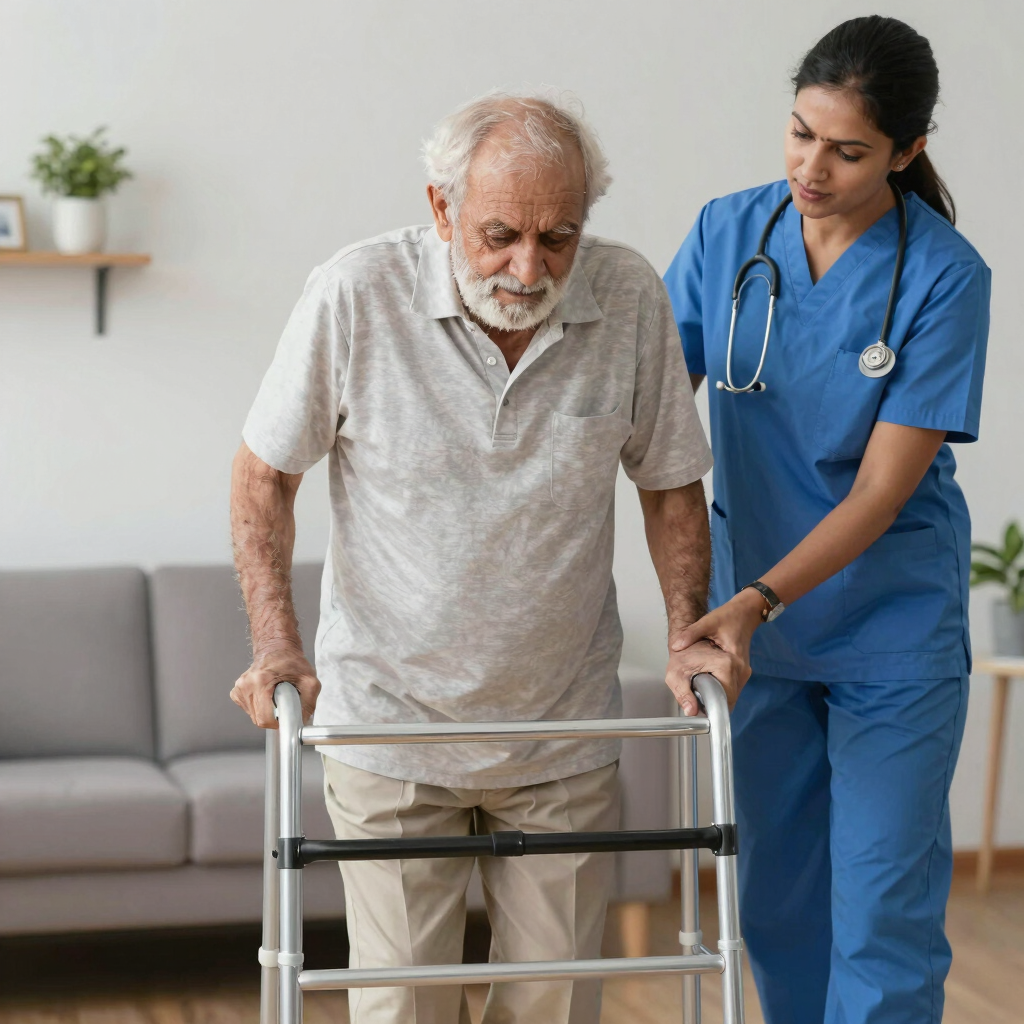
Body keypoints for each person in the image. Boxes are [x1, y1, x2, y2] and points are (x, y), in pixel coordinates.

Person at [230, 92, 734, 1024]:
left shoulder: (626, 296)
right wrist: (276, 645)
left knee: (553, 1006)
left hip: (563, 730)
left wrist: (684, 634)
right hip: (390, 724)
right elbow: (264, 477)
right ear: (440, 208)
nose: (529, 266)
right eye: (500, 234)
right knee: (401, 1005)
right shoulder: (355, 293)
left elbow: (669, 481)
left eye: (560, 236)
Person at [664, 16, 991, 1024]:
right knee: (778, 902)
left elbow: (878, 494)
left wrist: (754, 599)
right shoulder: (728, 232)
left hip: (885, 629)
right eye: (800, 133)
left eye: (847, 151)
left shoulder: (943, 275)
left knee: (881, 907)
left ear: (907, 151)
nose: (812, 165)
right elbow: (651, 413)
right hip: (751, 629)